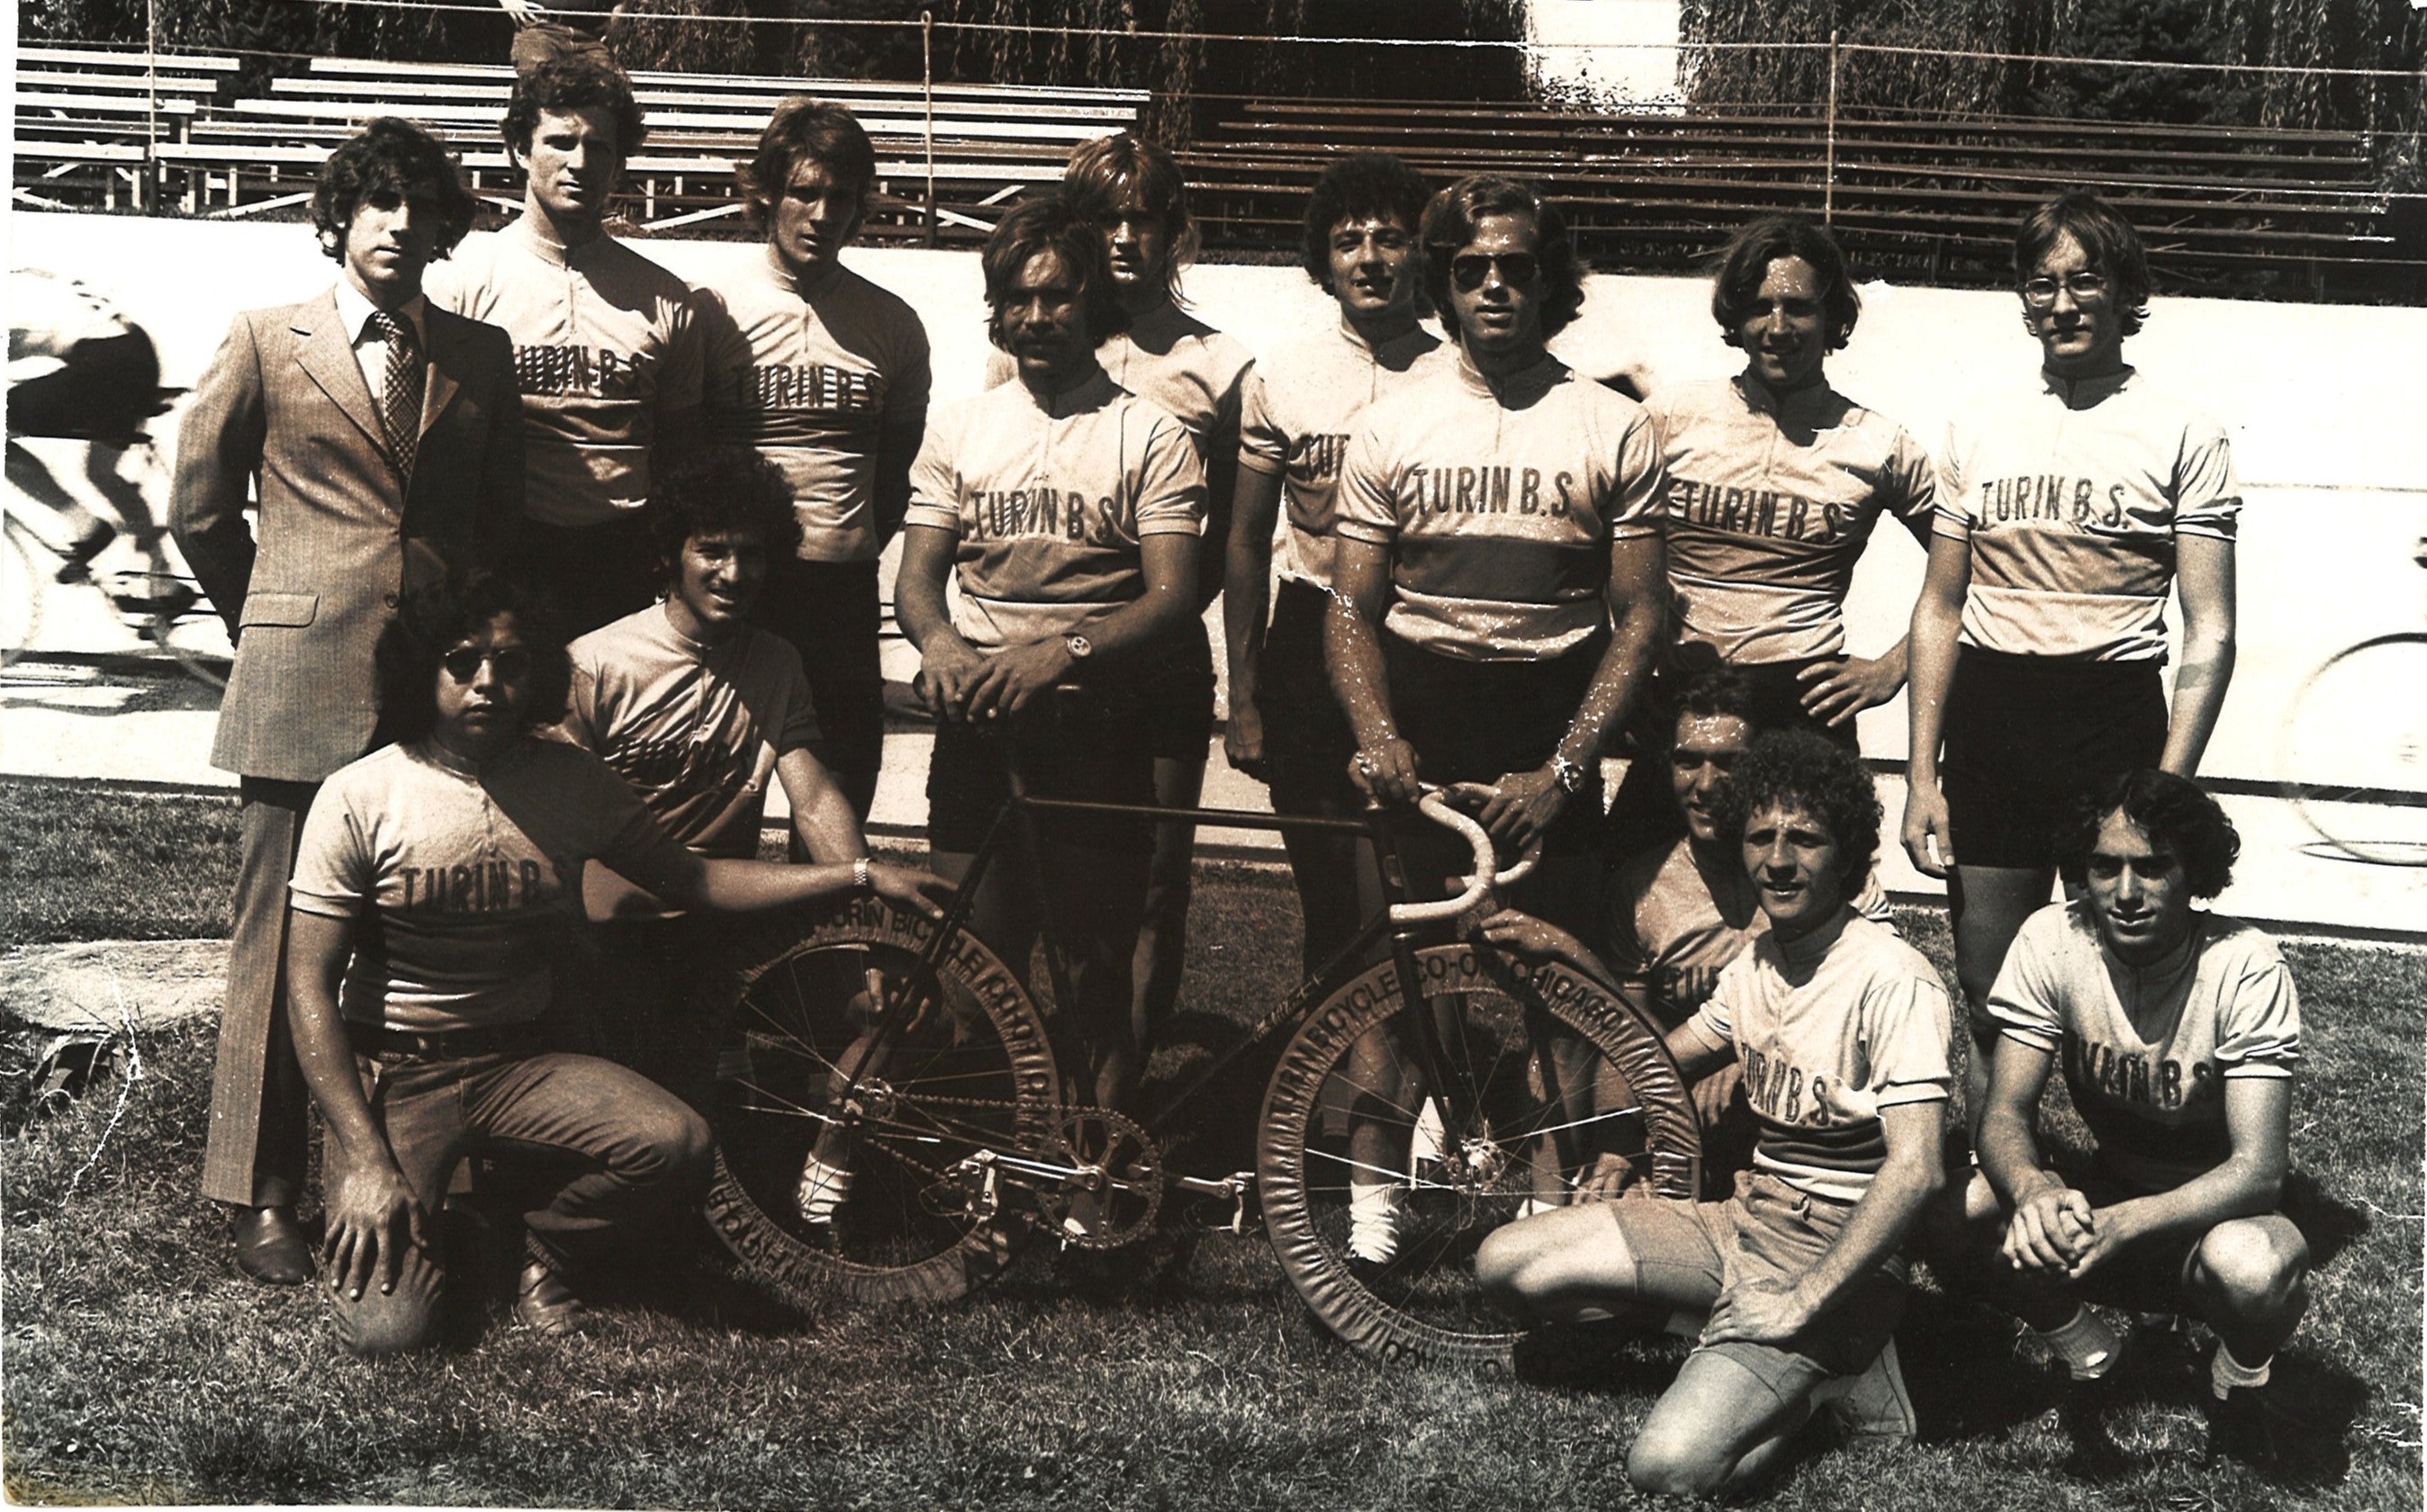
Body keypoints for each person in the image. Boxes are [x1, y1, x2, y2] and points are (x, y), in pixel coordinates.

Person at [284, 577, 949, 1354]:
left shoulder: (572, 782)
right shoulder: (360, 794)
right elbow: (307, 984)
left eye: (509, 662)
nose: (488, 683)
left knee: (675, 1142)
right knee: (388, 1332)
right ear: (420, 672)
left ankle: (540, 1250)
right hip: (399, 1074)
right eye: (461, 663)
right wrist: (365, 1158)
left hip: (516, 1064)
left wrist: (857, 875)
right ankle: (451, 1216)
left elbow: (696, 879)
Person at [171, 118, 524, 1287]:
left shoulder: (480, 356)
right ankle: (264, 1193)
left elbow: (494, 532)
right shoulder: (268, 338)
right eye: (380, 206)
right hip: (298, 679)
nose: (402, 228)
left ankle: (428, 1177)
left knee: (435, 928)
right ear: (341, 217)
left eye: (423, 210)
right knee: (279, 946)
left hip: (432, 687)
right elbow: (199, 507)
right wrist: (263, 617)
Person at [1475, 732, 1953, 1495]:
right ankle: (1741, 1342)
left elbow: (1919, 1169)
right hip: (1743, 1221)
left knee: (1669, 1467)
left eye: (1806, 839)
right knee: (1507, 1263)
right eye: (1761, 837)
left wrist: (1799, 1302)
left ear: (1851, 853)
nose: (1779, 860)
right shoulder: (1760, 964)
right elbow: (1647, 1067)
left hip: (1843, 1258)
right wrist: (1571, 959)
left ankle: (1836, 1380)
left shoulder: (1893, 978)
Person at [1903, 192, 2240, 1111]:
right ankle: (1991, 1174)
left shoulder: (2184, 430)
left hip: (2110, 722)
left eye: (2084, 281)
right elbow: (1937, 607)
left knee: (2118, 983)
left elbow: (2208, 629)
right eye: (2041, 285)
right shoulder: (1976, 422)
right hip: (1993, 718)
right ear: (2022, 299)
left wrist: (2163, 789)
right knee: (1986, 986)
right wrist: (1920, 776)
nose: (2062, 304)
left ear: (2124, 292)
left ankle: (2137, 1167)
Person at [893, 193, 1205, 1120]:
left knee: (1092, 971)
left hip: (1093, 724)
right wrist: (942, 644)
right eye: (1015, 299)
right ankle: (989, 1161)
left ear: (1090, 305)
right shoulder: (961, 425)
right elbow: (916, 582)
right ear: (994, 308)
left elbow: (1170, 596)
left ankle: (1092, 1162)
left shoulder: (1147, 431)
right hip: (977, 722)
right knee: (971, 961)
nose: (1035, 318)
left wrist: (1058, 652)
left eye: (1057, 297)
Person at [1327, 174, 1666, 942]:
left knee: (1561, 971)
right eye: (1470, 268)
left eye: (1516, 268)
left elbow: (1642, 613)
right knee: (1412, 967)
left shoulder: (1615, 426)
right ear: (1442, 281)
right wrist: (1379, 736)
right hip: (1425, 703)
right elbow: (1350, 608)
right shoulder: (1389, 425)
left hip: (1551, 708)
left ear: (1548, 279)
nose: (1494, 287)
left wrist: (1565, 774)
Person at [1960, 770, 2311, 1474]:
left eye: (2152, 868)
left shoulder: (2244, 964)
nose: (2124, 893)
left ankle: (2237, 1379)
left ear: (2195, 874)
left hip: (2212, 1216)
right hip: (2113, 1189)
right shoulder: (2052, 938)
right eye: (2104, 866)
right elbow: (2004, 1113)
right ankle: (2092, 1353)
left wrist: (2122, 1225)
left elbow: (2258, 1171)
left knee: (2256, 1267)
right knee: (1968, 1201)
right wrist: (2032, 1192)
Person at [1012, 134, 1254, 1059]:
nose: (1121, 238)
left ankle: (1127, 1105)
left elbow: (1231, 536)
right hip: (1047, 651)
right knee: (1042, 874)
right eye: (1101, 219)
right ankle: (1039, 1075)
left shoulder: (1219, 365)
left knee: (1154, 882)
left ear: (1173, 233)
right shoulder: (1035, 336)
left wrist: (1177, 638)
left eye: (1140, 219)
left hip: (1157, 657)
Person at [1603, 213, 1937, 851]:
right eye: (1759, 308)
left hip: (1802, 700)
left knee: (1804, 908)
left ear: (1833, 317)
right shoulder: (1670, 418)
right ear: (1735, 316)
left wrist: (1893, 667)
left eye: (1798, 308)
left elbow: (1976, 565)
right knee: (1639, 899)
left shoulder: (1876, 441)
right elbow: (1590, 542)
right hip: (1682, 696)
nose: (1777, 328)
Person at [552, 446, 875, 1107]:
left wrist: (872, 928)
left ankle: (825, 1151)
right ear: (673, 555)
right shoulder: (597, 661)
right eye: (713, 551)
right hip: (618, 923)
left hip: (730, 915)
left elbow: (813, 799)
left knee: (877, 999)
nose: (734, 573)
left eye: (752, 554)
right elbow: (556, 832)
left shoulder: (777, 663)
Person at [1223, 150, 1439, 976]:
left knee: (1413, 893)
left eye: (1391, 239)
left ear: (1422, 254)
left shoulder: (1457, 372)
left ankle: (1419, 1088)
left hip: (1415, 632)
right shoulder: (1283, 373)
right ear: (1323, 260)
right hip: (1309, 635)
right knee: (1327, 903)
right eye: (1349, 241)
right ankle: (1322, 1087)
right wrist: (1242, 695)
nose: (1370, 259)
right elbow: (1244, 541)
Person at [701, 97, 932, 828]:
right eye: (805, 191)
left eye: (841, 196)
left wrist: (842, 538)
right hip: (737, 584)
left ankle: (826, 946)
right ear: (767, 191)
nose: (823, 213)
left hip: (839, 587)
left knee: (837, 804)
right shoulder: (713, 310)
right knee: (715, 799)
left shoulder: (891, 323)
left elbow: (897, 473)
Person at [429, 55, 704, 638]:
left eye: (600, 147)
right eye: (560, 141)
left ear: (619, 161)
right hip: (505, 552)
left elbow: (680, 456)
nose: (581, 163)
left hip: (622, 559)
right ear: (519, 150)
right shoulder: (462, 281)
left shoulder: (664, 298)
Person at [5, 267, 178, 588]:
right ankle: (165, 582)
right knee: (102, 473)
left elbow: (17, 342)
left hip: (102, 361)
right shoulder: (35, 273)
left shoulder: (15, 286)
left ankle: (88, 529)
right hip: (138, 352)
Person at [496, 0, 619, 76]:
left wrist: (616, 18)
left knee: (607, 81)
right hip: (541, 29)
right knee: (541, 77)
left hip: (588, 35)